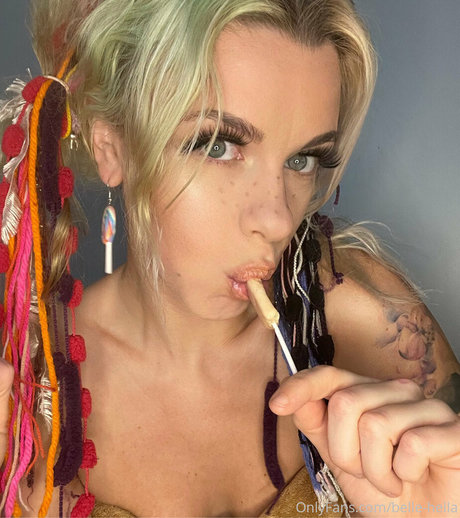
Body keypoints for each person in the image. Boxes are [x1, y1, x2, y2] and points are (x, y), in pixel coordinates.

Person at [0, 0, 459, 516]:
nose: (279, 219)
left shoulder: (369, 320)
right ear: (113, 146)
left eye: (303, 159)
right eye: (219, 147)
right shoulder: (24, 387)